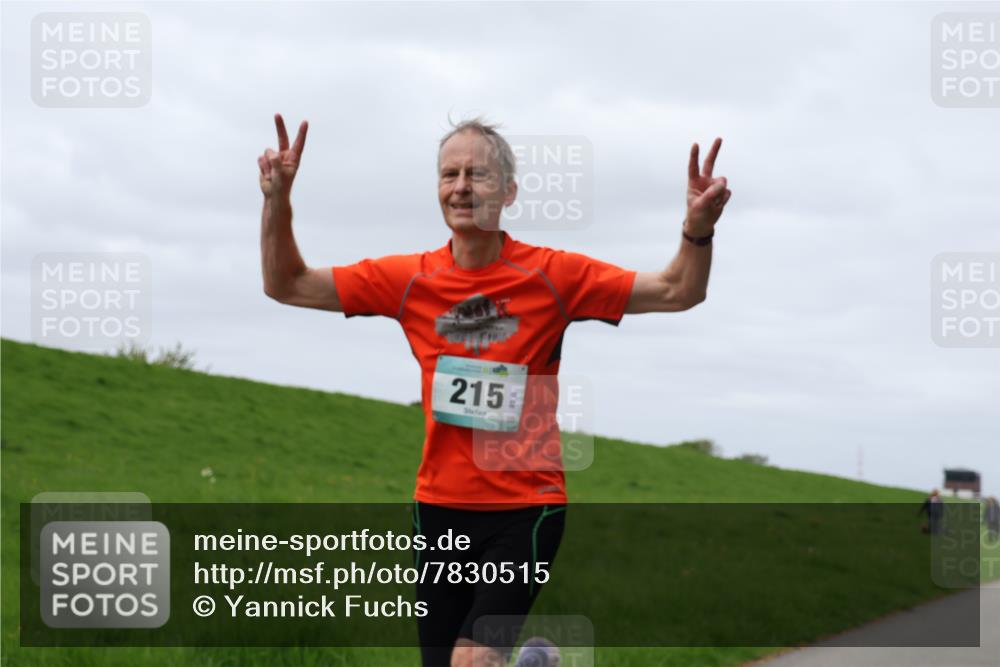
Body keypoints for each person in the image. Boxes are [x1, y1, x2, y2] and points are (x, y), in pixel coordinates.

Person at [258, 114, 730, 667]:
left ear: (508, 191)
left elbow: (678, 290)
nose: (461, 187)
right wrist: (277, 201)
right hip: (438, 511)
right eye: (449, 174)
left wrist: (697, 230)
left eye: (477, 174)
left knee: (471, 660)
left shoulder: (553, 276)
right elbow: (286, 283)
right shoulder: (409, 279)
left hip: (524, 509)